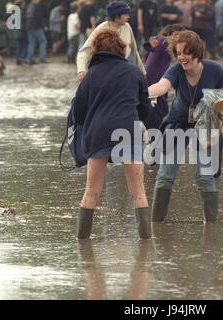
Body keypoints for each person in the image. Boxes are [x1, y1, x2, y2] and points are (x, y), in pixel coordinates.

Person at [72, 29, 152, 240]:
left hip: (98, 135)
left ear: (96, 51)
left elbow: (78, 113)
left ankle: (83, 244)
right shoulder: (134, 72)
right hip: (129, 133)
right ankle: (145, 246)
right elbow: (145, 110)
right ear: (121, 48)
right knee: (138, 192)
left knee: (91, 192)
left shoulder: (90, 75)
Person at [147, 30, 223, 223]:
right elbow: (161, 87)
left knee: (204, 177)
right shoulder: (176, 70)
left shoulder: (215, 69)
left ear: (197, 52)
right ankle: (156, 225)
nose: (182, 58)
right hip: (177, 123)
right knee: (165, 175)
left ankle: (210, 228)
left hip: (205, 124)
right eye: (178, 53)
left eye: (186, 53)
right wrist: (141, 91)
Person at [76, 1, 145, 82]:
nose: (128, 17)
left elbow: (134, 51)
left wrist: (142, 72)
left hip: (126, 67)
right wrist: (81, 70)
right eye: (125, 14)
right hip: (107, 70)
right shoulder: (101, 29)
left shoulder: (127, 27)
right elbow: (84, 51)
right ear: (116, 16)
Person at [143, 24, 186, 129]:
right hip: (155, 85)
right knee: (157, 117)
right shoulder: (165, 41)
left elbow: (147, 53)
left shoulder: (160, 40)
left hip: (148, 83)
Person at [26, 0, 48, 64]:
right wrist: (44, 26)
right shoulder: (36, 6)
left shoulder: (28, 5)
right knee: (43, 41)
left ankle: (30, 59)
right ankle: (42, 57)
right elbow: (38, 17)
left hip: (29, 27)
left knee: (31, 43)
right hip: (36, 27)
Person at [11, 0, 28, 65]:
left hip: (16, 31)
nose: (24, 5)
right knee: (26, 44)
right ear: (20, 4)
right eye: (24, 4)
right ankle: (22, 57)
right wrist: (25, 29)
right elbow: (22, 23)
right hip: (21, 31)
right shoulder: (21, 12)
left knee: (19, 46)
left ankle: (17, 59)